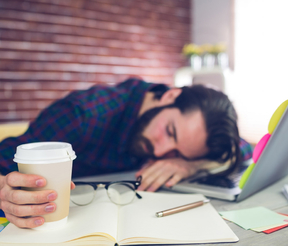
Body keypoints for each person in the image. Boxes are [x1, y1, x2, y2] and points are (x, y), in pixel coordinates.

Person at [0, 78, 252, 228]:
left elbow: (242, 147)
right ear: (170, 95)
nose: (161, 151)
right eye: (170, 132)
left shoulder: (187, 132)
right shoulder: (82, 115)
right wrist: (4, 189)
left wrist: (190, 165)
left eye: (177, 152)